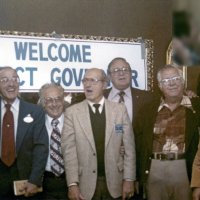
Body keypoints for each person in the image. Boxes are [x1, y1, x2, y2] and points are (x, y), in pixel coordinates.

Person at [61, 68, 135, 200]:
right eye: (85, 80)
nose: (87, 85)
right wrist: (72, 184)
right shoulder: (72, 113)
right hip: (85, 186)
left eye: (93, 81)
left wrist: (129, 179)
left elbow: (129, 148)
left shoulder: (119, 110)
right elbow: (69, 152)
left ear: (104, 85)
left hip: (115, 183)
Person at [134, 64, 200, 200]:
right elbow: (137, 143)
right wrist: (137, 176)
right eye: (166, 80)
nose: (171, 83)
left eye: (176, 78)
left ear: (183, 82)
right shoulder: (147, 110)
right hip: (155, 168)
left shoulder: (196, 107)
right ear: (160, 86)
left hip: (184, 168)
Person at [0, 66, 49, 200]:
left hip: (25, 182)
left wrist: (35, 180)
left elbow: (41, 148)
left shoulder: (35, 111)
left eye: (15, 79)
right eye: (5, 80)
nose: (11, 83)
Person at [38, 83, 69, 200]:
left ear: (63, 100)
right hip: (44, 184)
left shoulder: (75, 121)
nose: (54, 104)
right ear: (42, 103)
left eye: (58, 99)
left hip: (71, 182)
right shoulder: (36, 123)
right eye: (49, 100)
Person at [105, 57, 154, 124]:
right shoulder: (99, 97)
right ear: (109, 76)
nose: (121, 73)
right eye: (116, 70)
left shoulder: (146, 98)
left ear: (131, 74)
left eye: (125, 69)